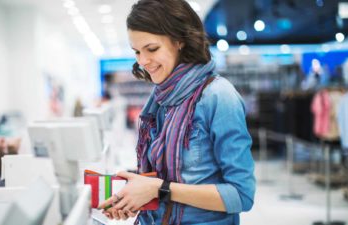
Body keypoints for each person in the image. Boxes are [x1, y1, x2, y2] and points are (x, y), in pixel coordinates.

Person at [98, 0, 255, 224]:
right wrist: (134, 195)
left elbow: (241, 195)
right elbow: (168, 178)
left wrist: (159, 190)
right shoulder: (160, 100)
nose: (142, 61)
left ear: (180, 40)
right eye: (137, 52)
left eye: (152, 49)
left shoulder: (218, 97)